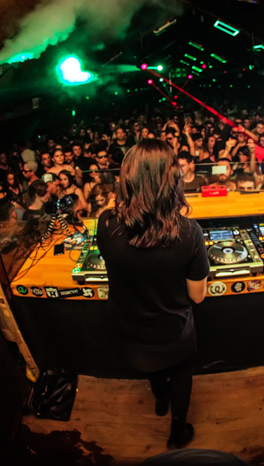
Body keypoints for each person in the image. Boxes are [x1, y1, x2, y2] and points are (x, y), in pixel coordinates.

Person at [97, 140, 209, 449]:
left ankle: (161, 400)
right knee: (181, 370)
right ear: (171, 179)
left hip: (129, 329)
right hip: (172, 332)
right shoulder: (189, 232)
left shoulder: (106, 224)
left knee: (153, 365)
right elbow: (197, 296)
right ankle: (177, 434)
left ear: (127, 177)